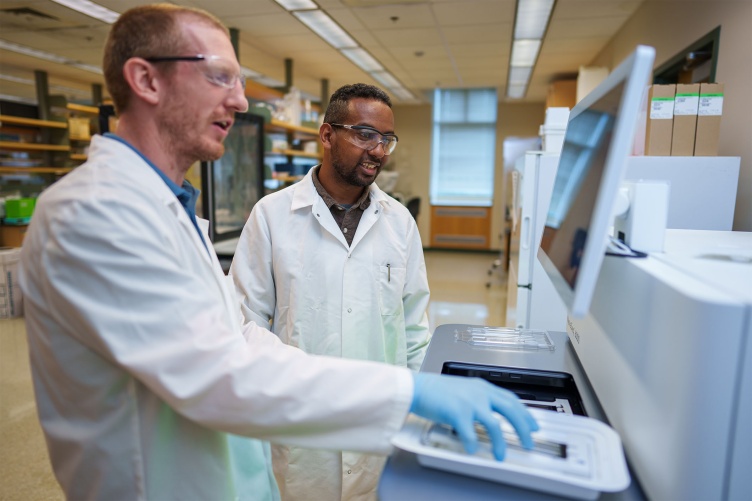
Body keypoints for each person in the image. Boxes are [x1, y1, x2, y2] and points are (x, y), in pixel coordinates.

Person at [18, 4, 538, 500]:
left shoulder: (165, 207)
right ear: (147, 80)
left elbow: (241, 337)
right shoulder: (95, 214)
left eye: (239, 82)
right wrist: (403, 395)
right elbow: (222, 375)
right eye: (220, 76)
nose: (241, 101)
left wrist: (407, 384)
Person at [230, 83, 431, 500]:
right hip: (300, 430)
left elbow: (414, 331)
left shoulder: (400, 223)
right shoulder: (271, 217)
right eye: (364, 134)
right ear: (326, 135)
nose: (378, 150)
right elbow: (246, 328)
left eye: (386, 139)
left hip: (378, 425)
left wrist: (419, 416)